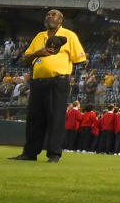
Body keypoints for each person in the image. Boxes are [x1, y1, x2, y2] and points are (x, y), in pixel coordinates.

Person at [9, 9, 86, 163]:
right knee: (34, 119)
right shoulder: (39, 36)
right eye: (48, 15)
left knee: (56, 118)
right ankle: (30, 152)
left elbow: (80, 59)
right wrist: (39, 52)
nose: (49, 16)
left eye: (53, 15)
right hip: (37, 82)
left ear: (60, 20)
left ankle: (54, 154)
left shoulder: (69, 35)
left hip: (58, 81)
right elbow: (25, 58)